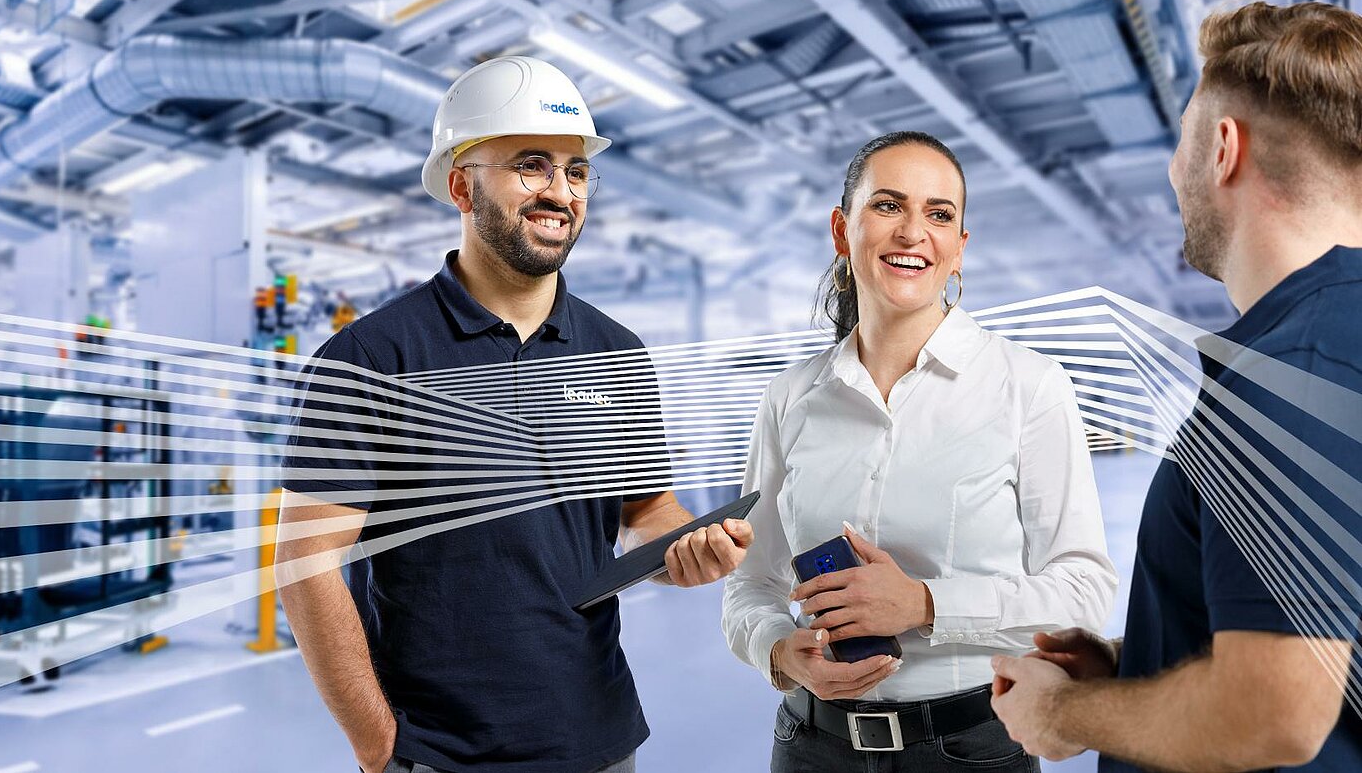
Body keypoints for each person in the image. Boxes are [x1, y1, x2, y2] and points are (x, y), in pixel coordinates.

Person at [275, 55, 753, 773]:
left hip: (601, 741)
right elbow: (307, 561)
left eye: (576, 170)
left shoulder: (617, 352)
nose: (560, 191)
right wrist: (378, 745)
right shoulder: (371, 357)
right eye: (531, 165)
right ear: (463, 186)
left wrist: (686, 551)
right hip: (443, 754)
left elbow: (646, 512)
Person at [990, 3, 1362, 771]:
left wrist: (1067, 711)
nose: (1172, 169)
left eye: (1183, 136)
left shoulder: (1294, 367)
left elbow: (1277, 714)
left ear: (1224, 148)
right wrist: (1142, 660)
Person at [722, 130, 1118, 772]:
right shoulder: (791, 397)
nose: (913, 232)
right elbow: (753, 581)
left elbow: (1083, 591)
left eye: (940, 214)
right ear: (841, 230)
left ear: (959, 249)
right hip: (811, 750)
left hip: (970, 750)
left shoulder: (1028, 386)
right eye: (887, 206)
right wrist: (776, 649)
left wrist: (926, 604)